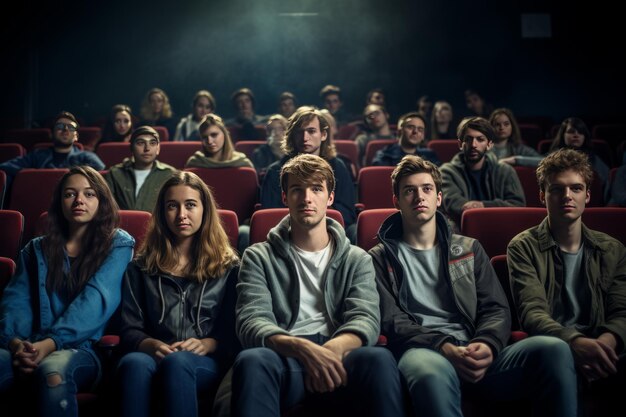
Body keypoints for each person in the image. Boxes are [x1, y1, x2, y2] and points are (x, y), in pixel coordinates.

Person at [370, 155, 577, 417]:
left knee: (554, 349)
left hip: (475, 348)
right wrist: (444, 346)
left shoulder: (468, 248)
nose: (419, 197)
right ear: (396, 201)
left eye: (426, 189)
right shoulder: (379, 257)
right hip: (424, 351)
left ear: (439, 198)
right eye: (409, 191)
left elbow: (496, 308)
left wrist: (487, 344)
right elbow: (392, 320)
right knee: (430, 373)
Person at [231, 153, 403, 417]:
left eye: (316, 189)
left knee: (379, 359)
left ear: (330, 198)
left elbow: (366, 318)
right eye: (297, 190)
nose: (307, 198)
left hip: (340, 356)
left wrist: (330, 350)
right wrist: (304, 349)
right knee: (252, 360)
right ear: (285, 197)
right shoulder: (258, 256)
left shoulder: (357, 258)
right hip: (286, 355)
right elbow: (251, 321)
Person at [0, 166, 134, 417]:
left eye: (89, 194)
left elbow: (96, 301)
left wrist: (50, 344)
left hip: (85, 350)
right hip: (30, 344)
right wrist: (17, 343)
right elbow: (17, 300)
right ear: (60, 201)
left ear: (101, 200)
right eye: (70, 194)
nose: (79, 200)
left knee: (53, 369)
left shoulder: (118, 243)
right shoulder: (36, 248)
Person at [507, 148, 626, 416]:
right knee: (556, 353)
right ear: (542, 195)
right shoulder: (523, 246)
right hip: (553, 345)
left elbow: (622, 311)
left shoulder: (612, 249)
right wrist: (574, 343)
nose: (567, 196)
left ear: (588, 195)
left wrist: (605, 345)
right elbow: (532, 313)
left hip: (603, 346)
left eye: (576, 188)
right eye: (557, 189)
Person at [116, 171, 239, 417]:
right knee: (132, 363)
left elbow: (234, 330)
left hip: (207, 361)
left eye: (190, 205)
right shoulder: (140, 267)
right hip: (154, 354)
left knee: (178, 362)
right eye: (172, 206)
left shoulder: (229, 266)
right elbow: (128, 327)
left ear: (204, 210)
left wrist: (208, 343)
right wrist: (147, 343)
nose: (181, 215)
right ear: (162, 212)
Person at [260, 106, 357, 236]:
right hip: (287, 233)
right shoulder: (275, 170)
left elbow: (348, 212)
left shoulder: (337, 166)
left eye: (311, 131)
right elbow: (271, 214)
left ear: (323, 135)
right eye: (299, 132)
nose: (305, 137)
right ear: (292, 136)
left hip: (331, 232)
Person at [440, 116, 525, 230]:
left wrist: (483, 205)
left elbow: (518, 205)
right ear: (460, 144)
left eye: (480, 139)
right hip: (463, 230)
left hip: (501, 227)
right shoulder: (446, 172)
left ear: (489, 144)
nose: (474, 145)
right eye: (468, 139)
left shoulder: (505, 171)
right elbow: (453, 204)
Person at [0, 111, 105, 186]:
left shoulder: (86, 156)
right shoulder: (37, 155)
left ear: (76, 136)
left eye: (71, 128)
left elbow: (101, 170)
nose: (65, 130)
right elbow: (6, 166)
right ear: (52, 134)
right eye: (60, 127)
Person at [105, 126, 176, 212]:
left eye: (152, 143)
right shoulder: (115, 173)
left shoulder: (170, 174)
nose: (147, 148)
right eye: (141, 143)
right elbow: (106, 208)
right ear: (131, 148)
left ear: (158, 149)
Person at [371, 111, 441, 167]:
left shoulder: (430, 156)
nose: (415, 131)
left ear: (423, 136)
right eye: (410, 127)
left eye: (420, 129)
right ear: (400, 131)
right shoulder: (385, 155)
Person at [185, 113, 254, 169]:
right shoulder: (195, 163)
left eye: (214, 135)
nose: (209, 141)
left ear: (224, 135)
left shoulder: (242, 163)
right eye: (204, 137)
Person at [251, 114, 287, 179]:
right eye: (272, 129)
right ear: (268, 133)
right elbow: (259, 176)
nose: (276, 133)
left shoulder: (293, 151)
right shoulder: (260, 153)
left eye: (280, 129)